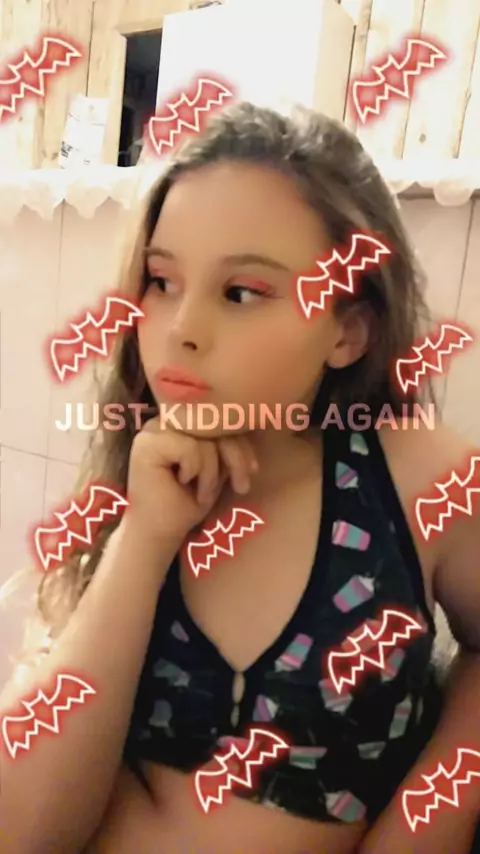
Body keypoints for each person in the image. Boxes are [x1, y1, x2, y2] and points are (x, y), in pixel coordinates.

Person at [1, 101, 480, 854]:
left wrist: (422, 824)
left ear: (347, 330)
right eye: (161, 281)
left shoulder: (419, 481)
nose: (181, 328)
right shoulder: (134, 478)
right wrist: (145, 538)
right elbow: (22, 830)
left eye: (241, 293)